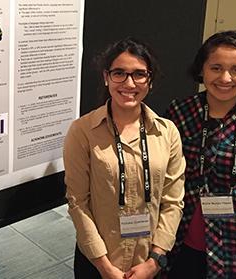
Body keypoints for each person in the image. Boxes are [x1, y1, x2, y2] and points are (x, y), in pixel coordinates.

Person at [63, 37, 185, 279]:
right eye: (119, 73)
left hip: (148, 260)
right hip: (98, 260)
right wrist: (104, 267)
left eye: (139, 74)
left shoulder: (167, 132)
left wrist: (155, 261)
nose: (129, 83)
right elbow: (78, 202)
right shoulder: (83, 131)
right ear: (106, 77)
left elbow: (173, 202)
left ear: (149, 80)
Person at [166, 30, 236, 279]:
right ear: (202, 69)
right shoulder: (179, 112)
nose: (225, 78)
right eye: (216, 67)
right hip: (178, 237)